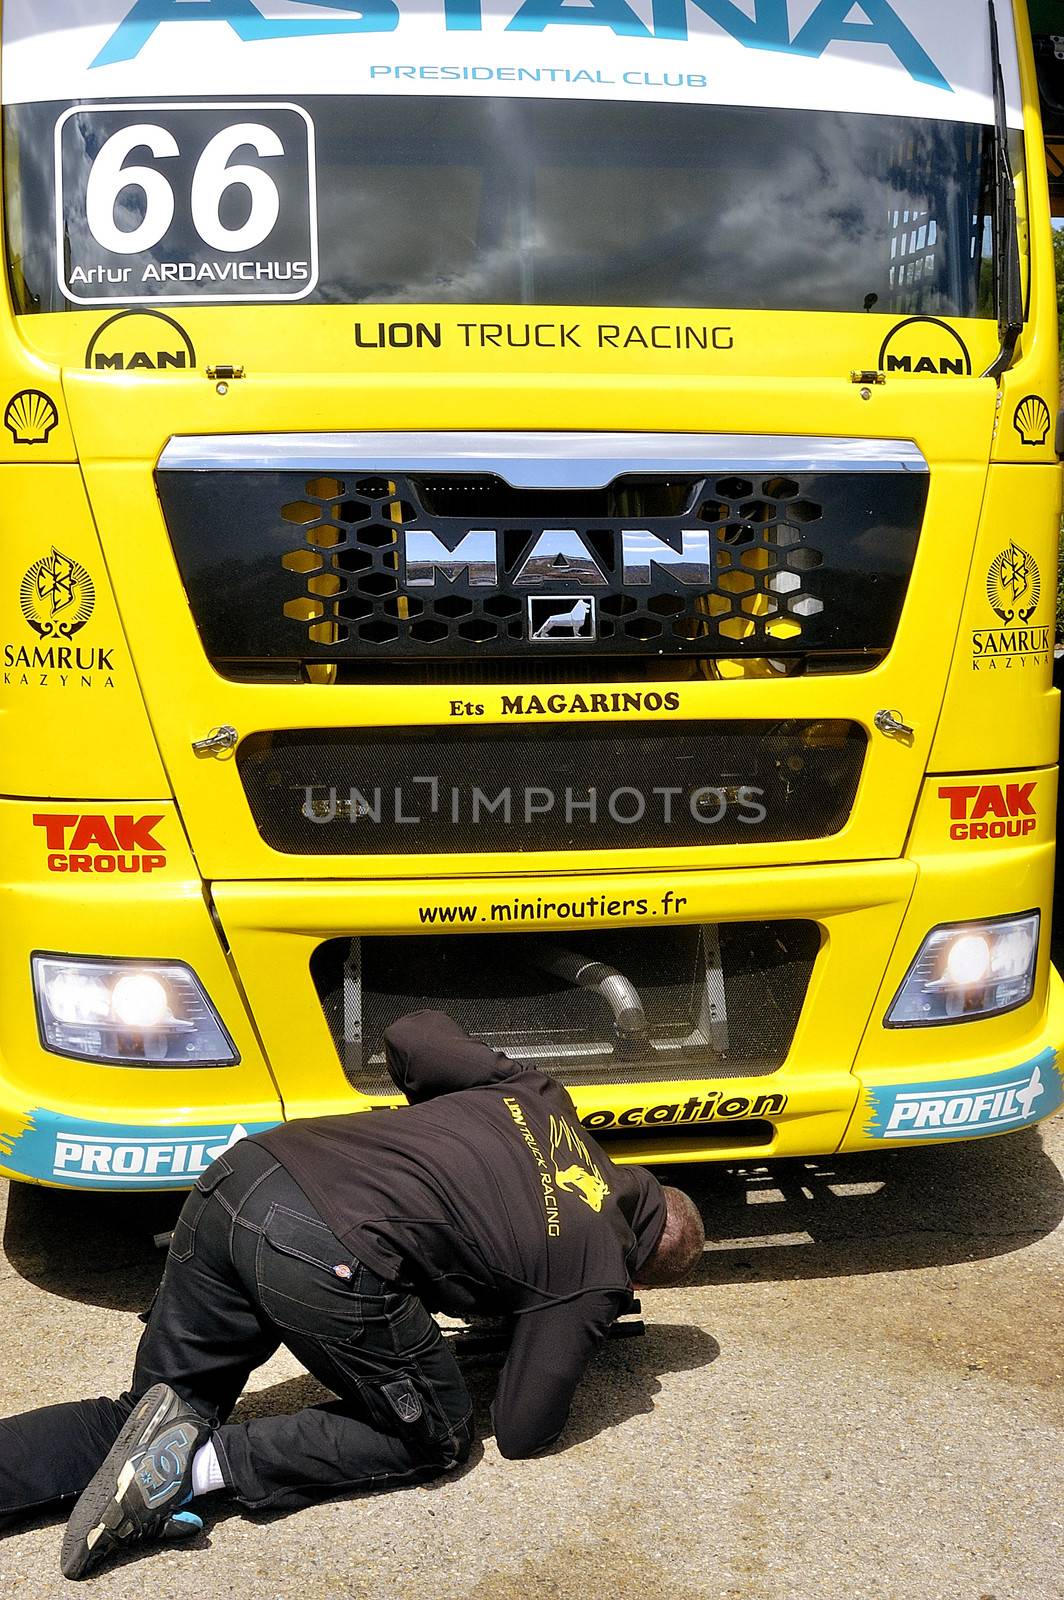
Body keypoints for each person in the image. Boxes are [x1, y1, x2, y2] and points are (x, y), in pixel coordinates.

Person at [0, 1011, 705, 1580]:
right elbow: (523, 1430)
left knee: (152, 1411)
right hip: (323, 1251)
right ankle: (194, 1472)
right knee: (432, 1433)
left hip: (244, 1177)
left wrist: (433, 1144)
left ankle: (111, 1457)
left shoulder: (540, 1100)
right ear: (640, 1279)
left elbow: (413, 1033)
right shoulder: (595, 1270)